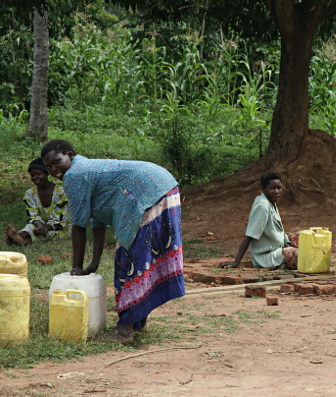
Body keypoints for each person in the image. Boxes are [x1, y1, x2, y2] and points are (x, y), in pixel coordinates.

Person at [41, 140, 185, 342]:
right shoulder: (84, 170)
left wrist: (76, 266)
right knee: (140, 261)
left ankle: (123, 333)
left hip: (148, 193)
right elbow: (97, 221)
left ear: (70, 155)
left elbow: (79, 225)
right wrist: (93, 264)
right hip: (162, 186)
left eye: (57, 162)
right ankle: (138, 323)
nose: (54, 169)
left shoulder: (75, 174)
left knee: (130, 263)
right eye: (49, 167)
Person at [218, 170, 298, 270]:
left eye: (279, 188)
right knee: (304, 255)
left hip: (279, 246)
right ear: (263, 189)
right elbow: (250, 235)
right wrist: (236, 262)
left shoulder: (271, 202)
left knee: (305, 236)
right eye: (272, 188)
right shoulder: (262, 205)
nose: (276, 191)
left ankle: (289, 248)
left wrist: (288, 242)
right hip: (269, 256)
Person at [5, 158, 72, 246]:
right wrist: (40, 226)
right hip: (42, 225)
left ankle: (19, 240)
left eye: (38, 174)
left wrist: (44, 228)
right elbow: (33, 216)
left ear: (47, 173)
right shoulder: (30, 194)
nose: (35, 177)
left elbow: (59, 221)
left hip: (62, 227)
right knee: (31, 227)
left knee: (47, 234)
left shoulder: (61, 193)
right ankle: (18, 236)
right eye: (32, 175)